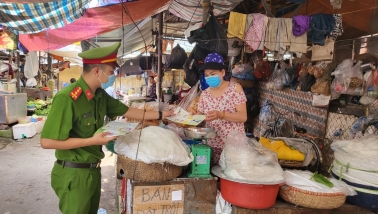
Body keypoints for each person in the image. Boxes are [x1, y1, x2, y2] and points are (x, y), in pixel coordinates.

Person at [40, 42, 173, 214]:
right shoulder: (68, 98)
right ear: (97, 71)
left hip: (93, 170)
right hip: (73, 173)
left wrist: (161, 115)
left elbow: (127, 110)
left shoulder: (99, 95)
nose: (113, 76)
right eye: (111, 72)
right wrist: (92, 141)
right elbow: (47, 142)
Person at [195, 52, 247, 167]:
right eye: (206, 75)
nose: (209, 77)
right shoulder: (205, 94)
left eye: (212, 73)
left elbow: (243, 117)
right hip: (211, 146)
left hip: (233, 147)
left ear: (222, 72)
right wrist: (190, 119)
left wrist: (221, 114)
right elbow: (200, 119)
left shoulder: (235, 89)